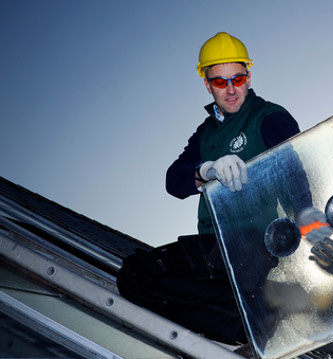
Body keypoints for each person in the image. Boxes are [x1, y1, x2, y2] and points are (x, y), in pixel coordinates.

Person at [116, 32, 302, 347]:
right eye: (219, 82)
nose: (230, 89)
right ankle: (250, 314)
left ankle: (255, 304)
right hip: (213, 246)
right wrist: (205, 170)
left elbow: (292, 170)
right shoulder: (205, 133)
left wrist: (307, 215)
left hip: (253, 243)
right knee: (137, 278)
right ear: (207, 83)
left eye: (238, 78)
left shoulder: (268, 117)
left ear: (248, 76)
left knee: (139, 274)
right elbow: (173, 181)